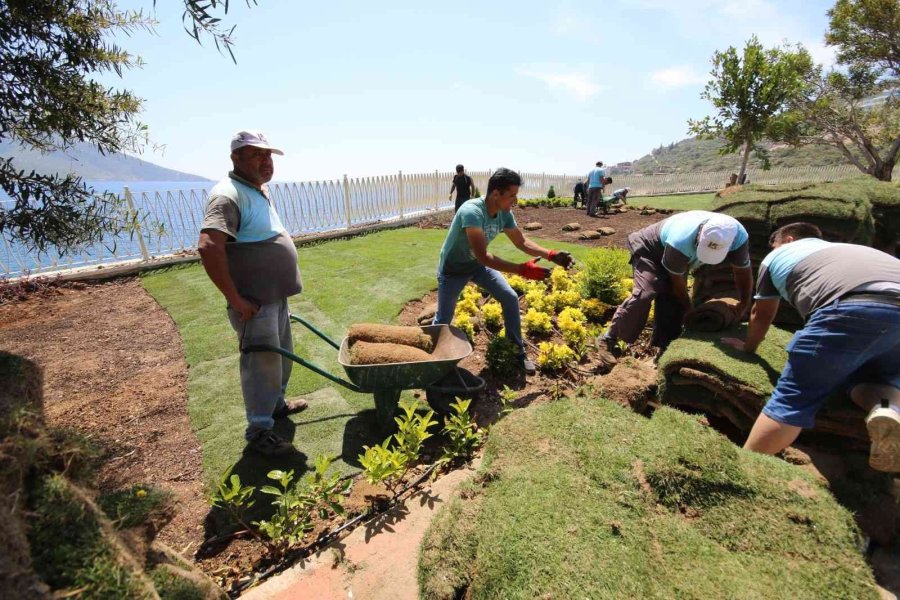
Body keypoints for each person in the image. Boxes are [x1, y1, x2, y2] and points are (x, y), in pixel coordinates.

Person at [722, 223, 900, 472]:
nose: (772, 248)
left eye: (774, 244)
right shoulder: (850, 249)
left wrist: (748, 348)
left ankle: (743, 471)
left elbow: (761, 313)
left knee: (793, 399)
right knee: (877, 379)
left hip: (852, 307)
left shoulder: (777, 256)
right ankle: (889, 410)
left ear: (788, 239)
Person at [198, 130, 308, 456]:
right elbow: (208, 246)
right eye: (256, 155)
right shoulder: (227, 195)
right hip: (254, 304)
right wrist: (236, 300)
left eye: (268, 155)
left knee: (280, 357)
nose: (265, 161)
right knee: (260, 364)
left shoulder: (257, 190)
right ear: (235, 158)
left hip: (274, 296)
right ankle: (259, 430)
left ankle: (275, 405)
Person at [433, 168, 574, 374]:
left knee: (509, 297)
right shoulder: (471, 211)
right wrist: (521, 270)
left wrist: (550, 254)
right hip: (452, 270)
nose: (515, 201)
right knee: (443, 318)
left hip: (477, 267)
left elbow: (521, 241)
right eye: (512, 196)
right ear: (496, 194)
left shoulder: (504, 213)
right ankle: (434, 360)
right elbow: (483, 255)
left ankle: (517, 351)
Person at [597, 210, 753, 366]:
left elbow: (742, 272)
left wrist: (744, 304)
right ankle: (608, 339)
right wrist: (689, 309)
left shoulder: (738, 236)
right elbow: (678, 286)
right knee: (646, 293)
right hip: (650, 248)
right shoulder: (681, 241)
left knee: (670, 300)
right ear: (700, 236)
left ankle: (664, 350)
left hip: (676, 254)